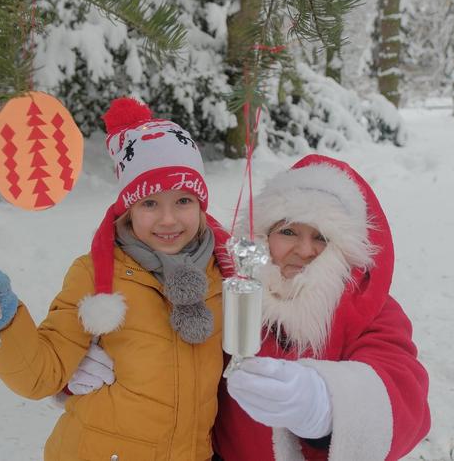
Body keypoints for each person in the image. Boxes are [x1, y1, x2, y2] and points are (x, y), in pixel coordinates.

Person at [70, 154, 431, 461]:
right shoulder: (231, 284)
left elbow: (404, 393)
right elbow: (162, 324)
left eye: (321, 236)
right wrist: (101, 361)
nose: (304, 250)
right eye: (288, 231)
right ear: (263, 235)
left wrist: (324, 404)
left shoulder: (367, 307)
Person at [0, 97, 234, 461]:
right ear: (127, 209)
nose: (169, 219)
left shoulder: (225, 273)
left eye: (183, 201)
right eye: (149, 204)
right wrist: (3, 321)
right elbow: (42, 375)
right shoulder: (96, 276)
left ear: (201, 203)